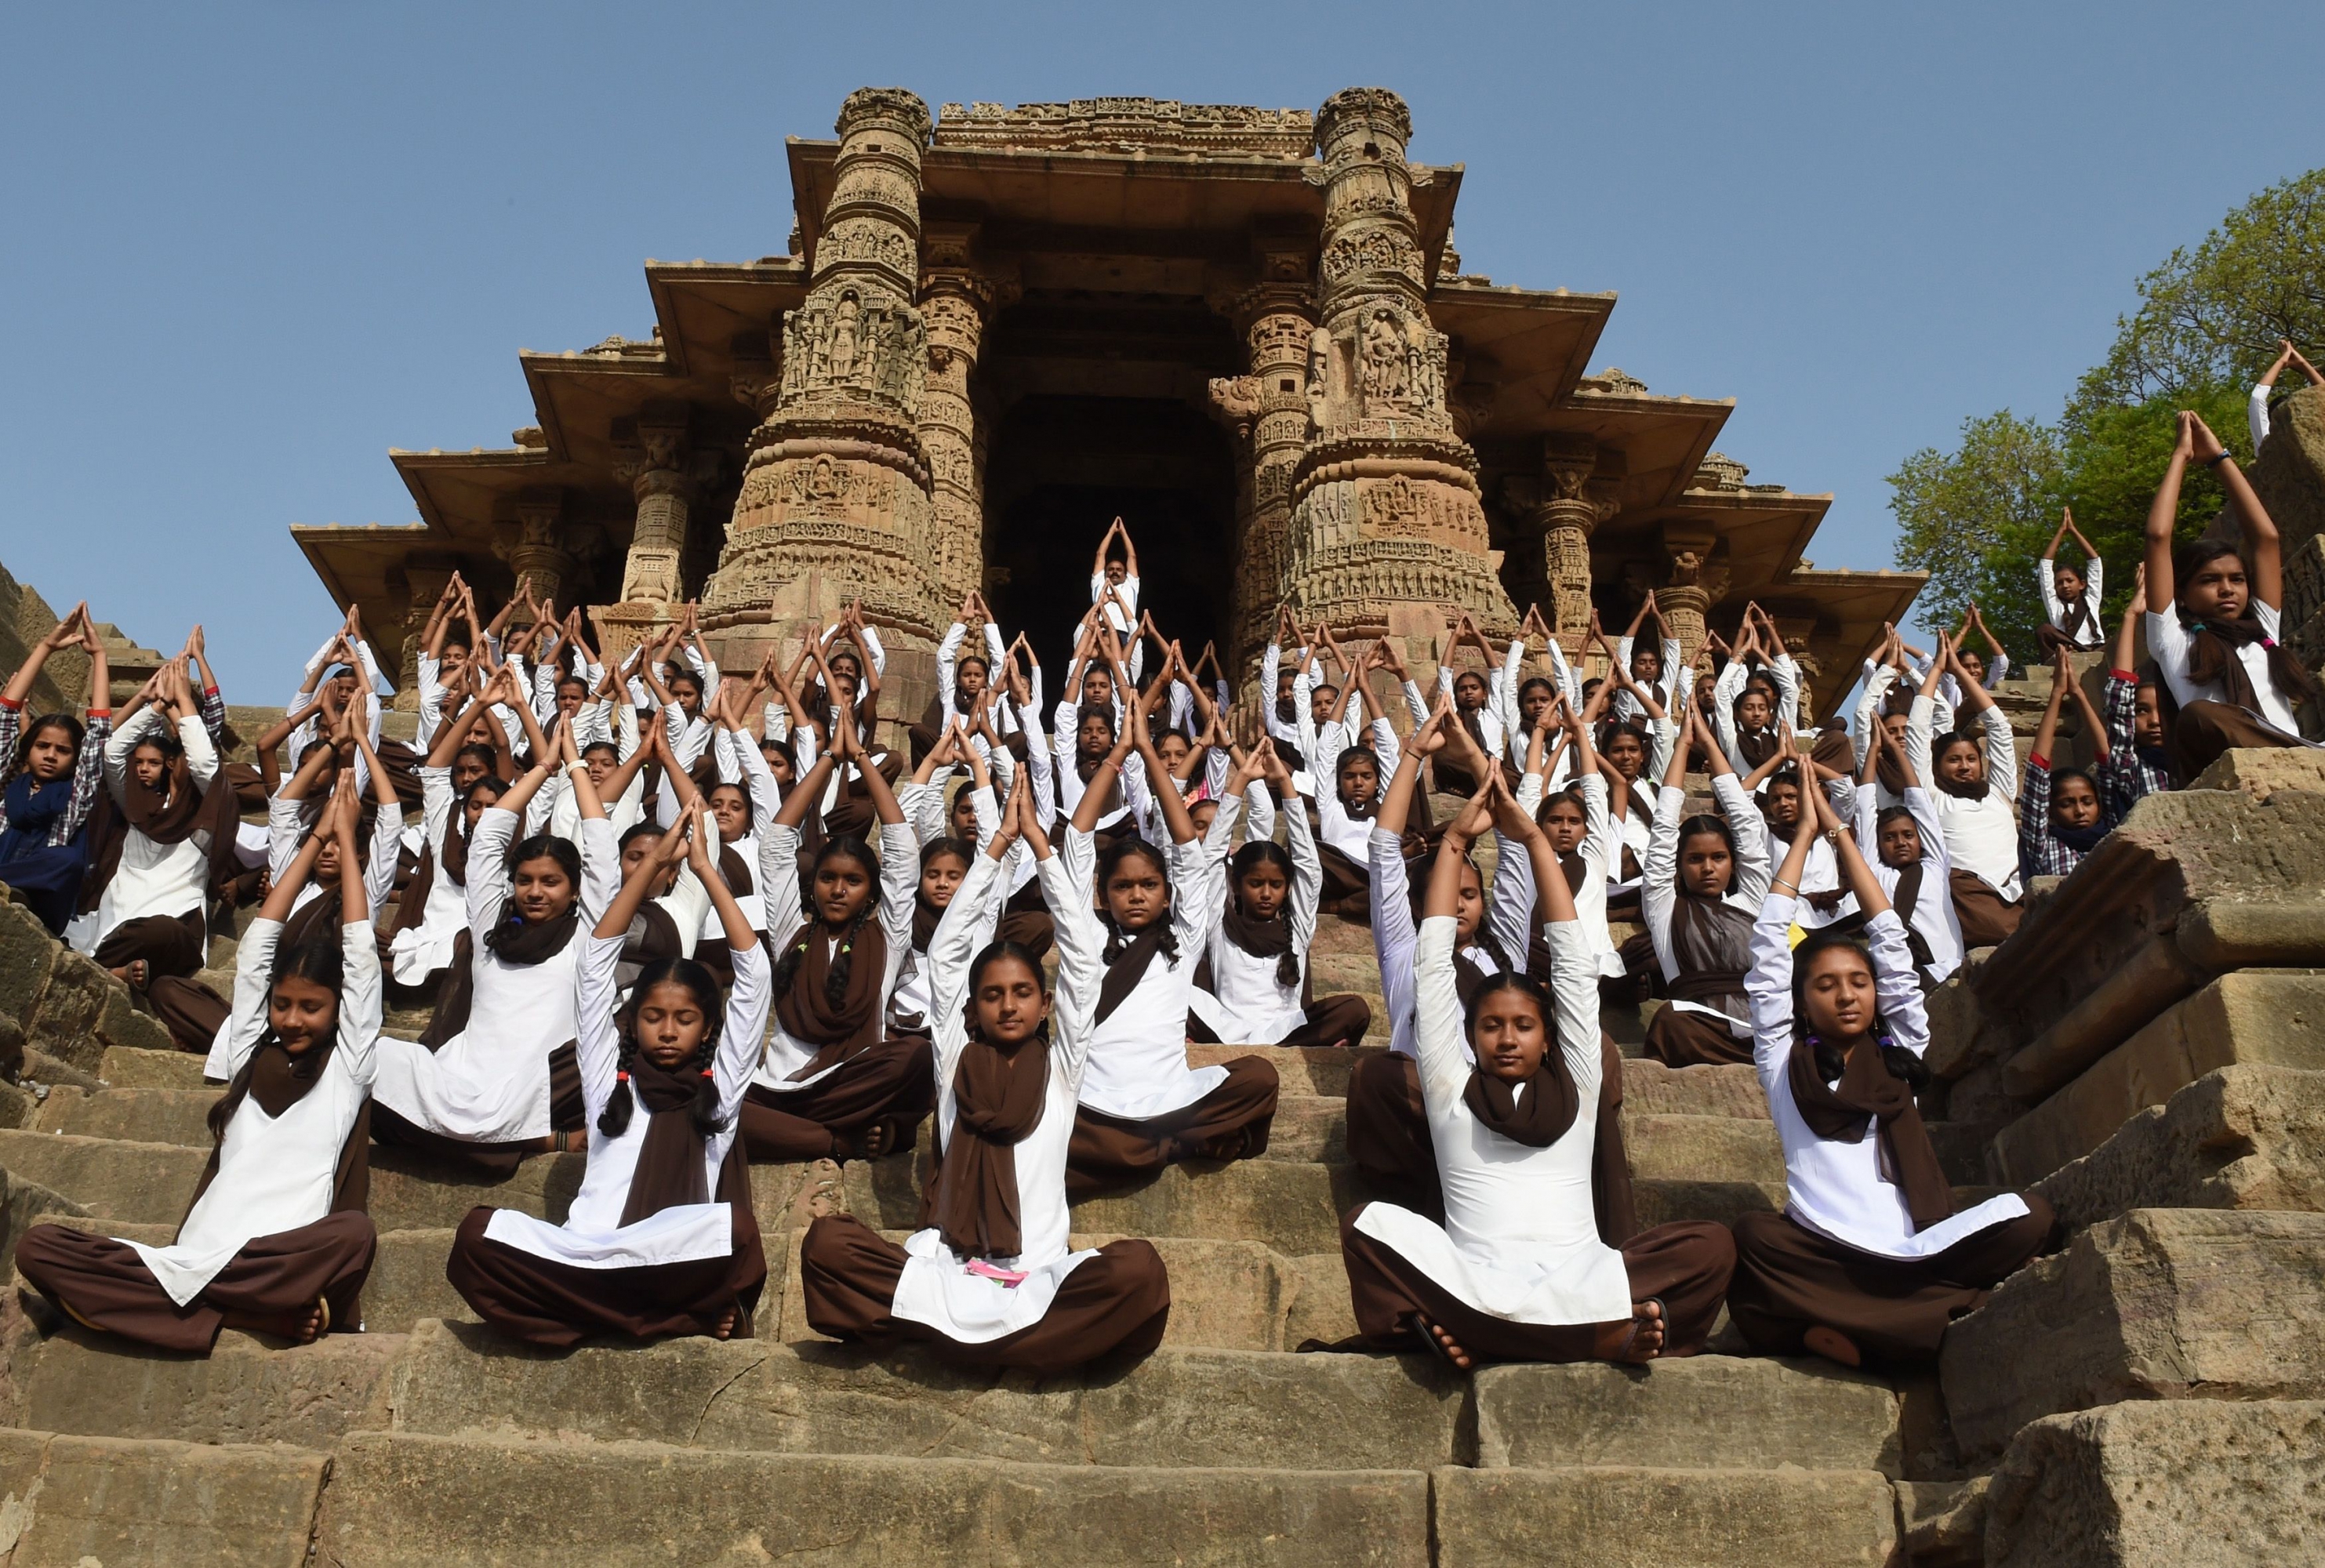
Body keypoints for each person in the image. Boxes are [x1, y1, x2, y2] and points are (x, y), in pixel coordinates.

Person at [1332, 772, 1734, 1369]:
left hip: (1581, 1273)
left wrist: (1536, 841)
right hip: (1475, 1275)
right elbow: (1433, 964)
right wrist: (1452, 844)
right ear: (1470, 1037)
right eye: (1490, 1026)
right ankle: (1590, 1340)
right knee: (1367, 1225)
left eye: (1523, 1025)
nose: (1506, 1038)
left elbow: (1571, 962)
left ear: (1549, 1038)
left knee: (1712, 1243)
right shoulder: (1449, 1087)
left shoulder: (1580, 1084)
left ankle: (1486, 1337)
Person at [798, 777, 1172, 1369]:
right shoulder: (954, 1064)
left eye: (1023, 993)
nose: (1008, 1006)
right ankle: (1015, 1348)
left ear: (1045, 1006)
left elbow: (1081, 959)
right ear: (973, 1008)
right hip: (943, 1272)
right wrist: (994, 849)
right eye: (993, 995)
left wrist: (1041, 850)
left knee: (1138, 1270)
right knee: (828, 1242)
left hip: (1034, 1278)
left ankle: (939, 1339)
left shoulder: (1062, 1070)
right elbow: (947, 955)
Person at [16, 786, 380, 1352]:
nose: (292, 1019)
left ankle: (209, 1309)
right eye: (282, 1005)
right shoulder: (248, 1055)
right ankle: (240, 1312)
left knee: (354, 1234)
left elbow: (360, 955)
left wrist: (348, 842)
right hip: (193, 1261)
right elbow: (258, 947)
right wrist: (315, 839)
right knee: (37, 1248)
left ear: (338, 1010)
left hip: (276, 1259)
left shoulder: (348, 1067)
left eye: (311, 1007)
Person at [1728, 783, 2054, 1369]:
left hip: (1915, 1247)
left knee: (2030, 1215)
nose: (1846, 996)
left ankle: (1866, 1325)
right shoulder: (1781, 1061)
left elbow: (1890, 938)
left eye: (1859, 983)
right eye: (1826, 986)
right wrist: (1803, 838)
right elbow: (1769, 946)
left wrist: (1841, 837)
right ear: (1800, 1003)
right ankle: (1939, 1314)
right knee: (1754, 1237)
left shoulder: (1901, 1051)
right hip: (1825, 1247)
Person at [446, 801, 769, 1348]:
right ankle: (671, 1321)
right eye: (654, 1016)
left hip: (666, 1256)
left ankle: (593, 1318)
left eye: (684, 1019)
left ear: (707, 1029)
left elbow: (755, 974)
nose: (668, 1031)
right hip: (589, 1253)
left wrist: (704, 870)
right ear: (634, 1021)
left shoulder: (723, 1089)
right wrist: (650, 865)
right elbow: (595, 963)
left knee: (735, 1230)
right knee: (477, 1232)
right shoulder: (605, 1079)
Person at [369, 716, 617, 1171]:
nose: (535, 892)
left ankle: (499, 1141)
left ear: (575, 891)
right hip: (463, 1076)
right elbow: (486, 842)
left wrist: (575, 765)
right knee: (373, 1060)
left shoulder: (586, 938)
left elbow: (602, 853)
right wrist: (542, 767)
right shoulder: (490, 931)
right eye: (525, 881)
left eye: (551, 882)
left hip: (538, 1086)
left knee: (605, 1045)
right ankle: (525, 1143)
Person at [1061, 681, 1278, 1198]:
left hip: (1170, 1095)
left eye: (1148, 886)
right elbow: (1076, 841)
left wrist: (1153, 762)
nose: (1136, 895)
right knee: (1036, 1105)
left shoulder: (1183, 938)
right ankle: (1173, 1146)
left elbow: (1188, 851)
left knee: (1260, 1077)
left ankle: (1145, 1147)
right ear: (1103, 893)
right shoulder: (1085, 935)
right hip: (1093, 1098)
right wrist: (1119, 755)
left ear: (1166, 895)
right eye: (1122, 887)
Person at [737, 695, 932, 1164]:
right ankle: (836, 1140)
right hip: (782, 1089)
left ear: (871, 892)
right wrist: (827, 759)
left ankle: (809, 1133)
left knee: (915, 1057)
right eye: (828, 878)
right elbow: (775, 847)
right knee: (715, 1104)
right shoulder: (791, 933)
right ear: (814, 885)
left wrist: (861, 758)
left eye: (853, 881)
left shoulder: (887, 937)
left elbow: (903, 854)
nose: (839, 890)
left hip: (850, 1081)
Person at [2142, 409, 2322, 777]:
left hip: (2290, 755)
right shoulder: (2172, 639)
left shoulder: (2262, 631)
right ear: (2182, 595)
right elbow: (2157, 537)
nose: (2227, 589)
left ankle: (2292, 750)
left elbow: (2266, 540)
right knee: (2200, 715)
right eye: (2210, 581)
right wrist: (2180, 456)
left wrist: (2220, 459)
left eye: (2237, 580)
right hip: (2221, 756)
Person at [1188, 742, 1372, 1051]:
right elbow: (1210, 860)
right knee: (1174, 992)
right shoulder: (1219, 924)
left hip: (1286, 1032)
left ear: (1287, 888)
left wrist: (1286, 783)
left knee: (1354, 1009)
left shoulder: (1297, 929)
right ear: (1236, 885)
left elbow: (1309, 867)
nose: (1265, 893)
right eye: (1255, 883)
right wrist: (1240, 780)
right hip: (1226, 1030)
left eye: (1275, 885)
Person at [75, 655, 235, 989]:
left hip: (172, 920)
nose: (194, 762)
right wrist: (157, 706)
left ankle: (110, 969)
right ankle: (111, 969)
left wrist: (184, 701)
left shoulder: (206, 821)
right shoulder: (138, 804)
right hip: (118, 913)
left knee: (165, 933)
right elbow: (113, 754)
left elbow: (205, 765)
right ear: (172, 762)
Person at [1641, 707, 1771, 1068]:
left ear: (1734, 863)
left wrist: (1711, 745)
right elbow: (1663, 831)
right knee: (1671, 1021)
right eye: (1696, 859)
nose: (1709, 868)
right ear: (1680, 866)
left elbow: (1746, 825)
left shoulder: (1751, 901)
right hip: (1701, 1029)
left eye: (1719, 858)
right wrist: (1682, 747)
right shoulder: (1664, 908)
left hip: (1764, 1028)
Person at [1906, 633, 2023, 950]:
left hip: (2018, 891)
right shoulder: (1932, 798)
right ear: (1936, 766)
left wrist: (1959, 672)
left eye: (1971, 759)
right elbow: (1917, 731)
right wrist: (1936, 671)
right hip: (1970, 899)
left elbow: (2000, 728)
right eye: (1953, 760)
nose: (1964, 766)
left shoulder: (1999, 794)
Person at [0, 608, 111, 936]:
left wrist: (100, 656)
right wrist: (46, 646)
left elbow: (99, 734)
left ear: (74, 759)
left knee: (67, 860)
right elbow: (6, 715)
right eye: (43, 746)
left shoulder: (74, 797)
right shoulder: (9, 785)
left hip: (41, 899)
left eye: (62, 750)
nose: (50, 755)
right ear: (28, 749)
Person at [1852, 724, 1964, 993]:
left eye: (1908, 835)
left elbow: (1920, 803)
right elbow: (1865, 812)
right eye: (1890, 838)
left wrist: (1894, 748)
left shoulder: (1935, 865)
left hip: (1950, 972)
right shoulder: (1875, 873)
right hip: (1900, 982)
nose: (1901, 842)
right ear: (1879, 845)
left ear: (1920, 839)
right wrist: (1873, 751)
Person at [2021, 650, 2118, 881]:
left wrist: (2079, 694)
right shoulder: (2043, 845)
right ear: (2051, 810)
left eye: (2087, 801)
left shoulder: (2115, 833)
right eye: (2066, 804)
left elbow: (2108, 762)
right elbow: (2037, 774)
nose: (2080, 811)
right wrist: (2056, 694)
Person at [2097, 567, 2174, 819]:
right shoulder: (2131, 768)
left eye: (2162, 710)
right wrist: (2130, 616)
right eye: (2142, 711)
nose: (2154, 721)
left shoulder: (2195, 759)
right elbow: (2119, 701)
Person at [2036, 510, 2106, 654]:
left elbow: (2095, 563)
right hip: (2067, 647)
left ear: (2082, 584)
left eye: (2069, 581)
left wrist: (2073, 531)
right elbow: (2045, 567)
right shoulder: (2055, 605)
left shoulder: (2091, 599)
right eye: (2060, 583)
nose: (2065, 586)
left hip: (2096, 647)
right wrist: (2060, 531)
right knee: (2044, 630)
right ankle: (2058, 659)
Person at [2250, 339, 2323, 454]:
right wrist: (2302, 365)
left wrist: (2289, 362)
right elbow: (2257, 399)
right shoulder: (2269, 442)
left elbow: (2257, 398)